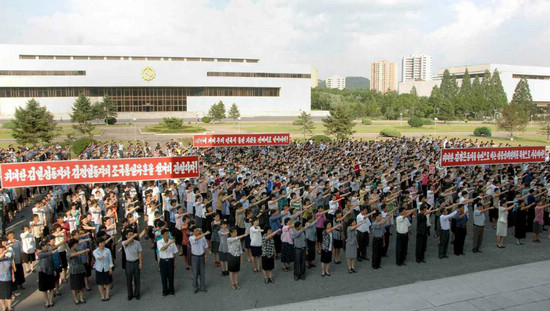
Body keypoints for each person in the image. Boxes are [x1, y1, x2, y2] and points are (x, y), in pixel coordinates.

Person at [67, 238, 88, 305]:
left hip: (80, 269)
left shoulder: (77, 250)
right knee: (74, 286)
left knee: (81, 285)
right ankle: (75, 299)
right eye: (76, 244)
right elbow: (74, 255)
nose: (77, 245)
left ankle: (81, 298)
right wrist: (84, 251)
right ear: (73, 245)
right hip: (73, 271)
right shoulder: (69, 252)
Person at [122, 231, 142, 301]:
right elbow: (125, 243)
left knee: (137, 279)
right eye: (129, 234)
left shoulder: (137, 243)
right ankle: (130, 295)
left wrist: (140, 263)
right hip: (129, 263)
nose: (131, 235)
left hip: (136, 262)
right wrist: (133, 236)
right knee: (129, 280)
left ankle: (137, 294)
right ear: (126, 236)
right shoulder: (124, 243)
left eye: (132, 234)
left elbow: (139, 253)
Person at [157, 229, 178, 296]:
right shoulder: (159, 242)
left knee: (171, 276)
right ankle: (165, 290)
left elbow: (174, 252)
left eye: (168, 233)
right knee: (163, 276)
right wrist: (169, 243)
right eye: (166, 233)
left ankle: (171, 290)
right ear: (162, 235)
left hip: (170, 260)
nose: (167, 235)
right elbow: (163, 249)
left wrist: (174, 261)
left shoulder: (172, 242)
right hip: (163, 261)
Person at [93, 237, 114, 301]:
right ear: (98, 244)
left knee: (107, 282)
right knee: (100, 283)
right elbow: (98, 258)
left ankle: (107, 295)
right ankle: (102, 295)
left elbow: (110, 260)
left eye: (103, 243)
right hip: (99, 268)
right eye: (101, 243)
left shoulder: (108, 250)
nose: (103, 244)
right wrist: (104, 255)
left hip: (106, 268)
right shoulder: (95, 251)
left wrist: (110, 268)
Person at [189, 227, 210, 293]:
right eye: (196, 231)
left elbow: (205, 247)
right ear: (192, 232)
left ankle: (203, 286)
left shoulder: (203, 238)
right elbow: (196, 238)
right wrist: (205, 233)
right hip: (195, 257)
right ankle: (195, 287)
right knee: (195, 272)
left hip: (202, 256)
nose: (197, 232)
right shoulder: (191, 238)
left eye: (198, 231)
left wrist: (206, 256)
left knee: (202, 272)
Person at [0, 245, 13, 311]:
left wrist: (13, 276)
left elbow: (11, 268)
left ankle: (9, 307)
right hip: (1, 279)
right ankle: (3, 307)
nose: (3, 252)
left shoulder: (8, 259)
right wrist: (3, 252)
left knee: (9, 294)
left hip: (8, 278)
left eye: (3, 250)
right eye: (1, 251)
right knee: (1, 296)